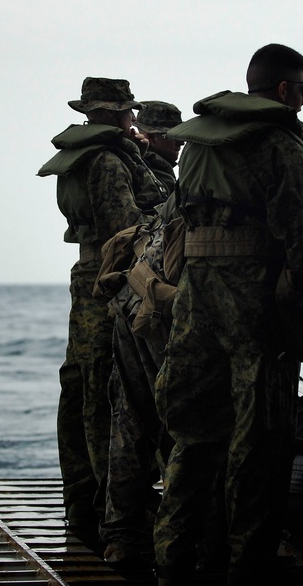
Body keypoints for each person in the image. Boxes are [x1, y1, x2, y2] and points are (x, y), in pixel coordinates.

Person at [152, 44, 303, 585]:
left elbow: (181, 221)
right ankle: (245, 570)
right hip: (257, 308)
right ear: (283, 90)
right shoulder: (283, 146)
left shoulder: (197, 147)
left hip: (195, 302)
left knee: (192, 437)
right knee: (258, 445)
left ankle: (173, 562)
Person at [37, 77, 165, 536]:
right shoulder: (108, 162)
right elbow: (126, 229)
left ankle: (83, 503)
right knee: (102, 393)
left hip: (87, 277)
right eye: (128, 111)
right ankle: (107, 512)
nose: (133, 118)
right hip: (108, 284)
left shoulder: (88, 156)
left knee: (79, 387)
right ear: (115, 114)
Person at [98, 100, 182, 564]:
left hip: (132, 295)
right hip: (154, 308)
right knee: (177, 420)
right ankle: (177, 542)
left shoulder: (147, 171)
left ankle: (121, 535)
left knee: (129, 420)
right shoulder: (163, 179)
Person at [135, 100, 184, 194]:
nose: (181, 143)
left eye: (181, 136)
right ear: (151, 137)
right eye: (174, 137)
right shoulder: (139, 171)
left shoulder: (159, 169)